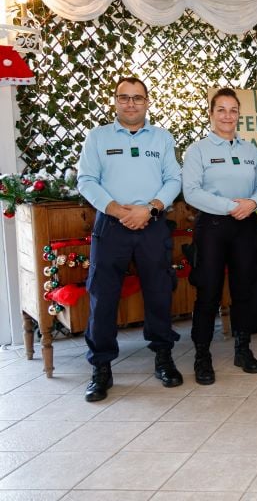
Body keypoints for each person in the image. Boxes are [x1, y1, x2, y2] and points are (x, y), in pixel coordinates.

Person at [76, 76, 183, 402]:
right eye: (124, 97)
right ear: (115, 101)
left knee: (159, 293)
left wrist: (149, 209)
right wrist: (116, 210)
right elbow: (86, 179)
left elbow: (173, 179)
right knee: (103, 297)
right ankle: (101, 368)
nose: (131, 103)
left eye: (137, 97)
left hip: (151, 224)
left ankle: (163, 358)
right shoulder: (98, 137)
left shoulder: (161, 138)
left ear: (147, 102)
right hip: (111, 225)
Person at [182, 87, 257, 384]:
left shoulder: (249, 150)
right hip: (213, 228)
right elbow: (191, 192)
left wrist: (253, 203)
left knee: (245, 289)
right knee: (208, 292)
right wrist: (230, 206)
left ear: (238, 115)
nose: (227, 115)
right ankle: (202, 355)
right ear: (211, 114)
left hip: (245, 226)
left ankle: (242, 349)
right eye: (221, 109)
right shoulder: (198, 151)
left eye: (233, 110)